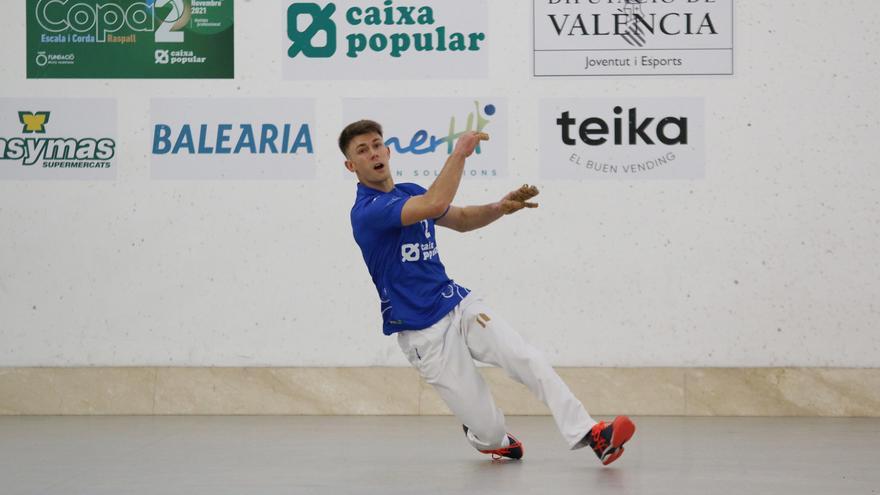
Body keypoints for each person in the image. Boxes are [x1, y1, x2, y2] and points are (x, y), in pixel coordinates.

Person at [340, 119, 635, 465]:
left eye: (377, 145)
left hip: (456, 303)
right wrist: (460, 154)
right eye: (363, 150)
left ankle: (591, 433)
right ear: (351, 166)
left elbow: (462, 219)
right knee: (490, 428)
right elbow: (435, 203)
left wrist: (499, 207)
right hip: (423, 333)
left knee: (525, 357)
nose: (373, 153)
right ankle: (488, 438)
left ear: (388, 151)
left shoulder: (409, 191)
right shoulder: (367, 212)